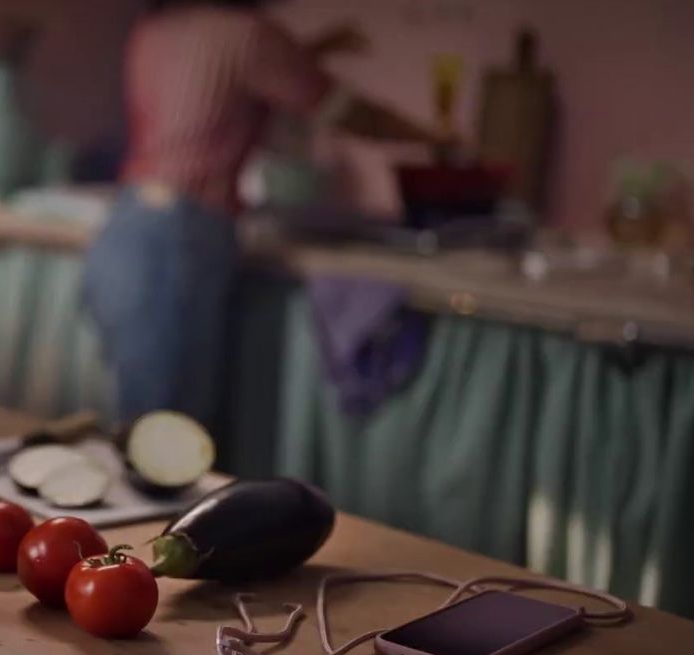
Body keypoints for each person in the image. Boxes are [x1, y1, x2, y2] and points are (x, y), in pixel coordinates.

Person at [81, 0, 446, 433]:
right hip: (178, 238)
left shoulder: (154, 30)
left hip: (122, 228)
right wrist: (433, 136)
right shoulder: (249, 34)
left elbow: (222, 77)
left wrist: (316, 46)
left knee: (144, 425)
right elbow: (344, 110)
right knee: (168, 438)